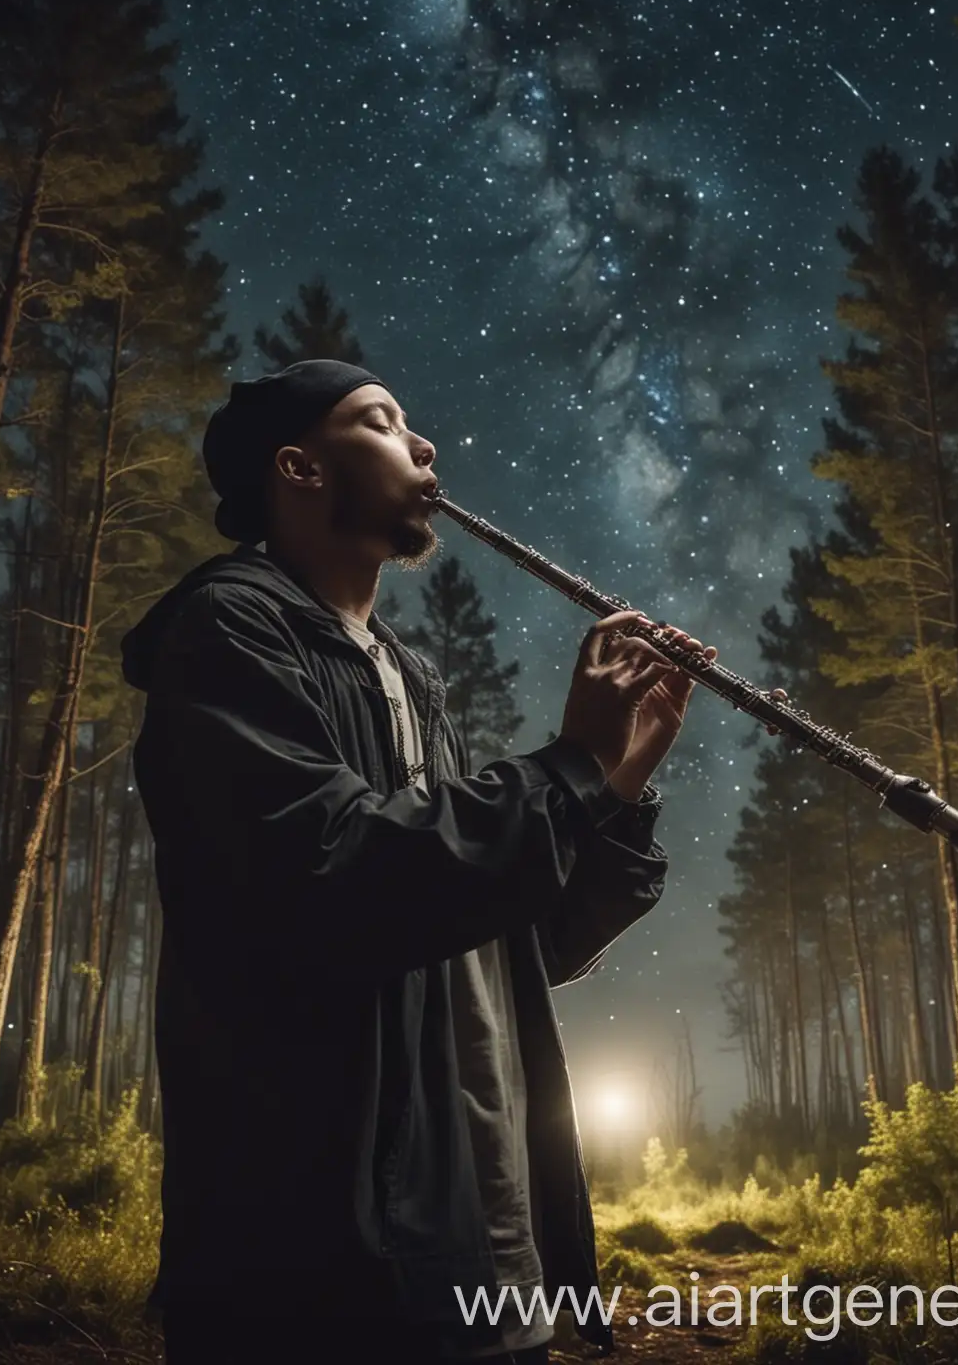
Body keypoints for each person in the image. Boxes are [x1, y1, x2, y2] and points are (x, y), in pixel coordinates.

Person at [120, 359, 715, 1363]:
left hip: (485, 1263)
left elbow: (503, 951)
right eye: (382, 421)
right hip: (321, 1275)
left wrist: (610, 789)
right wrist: (566, 765)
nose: (425, 444)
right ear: (300, 469)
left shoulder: (408, 676)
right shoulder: (228, 630)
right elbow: (336, 875)